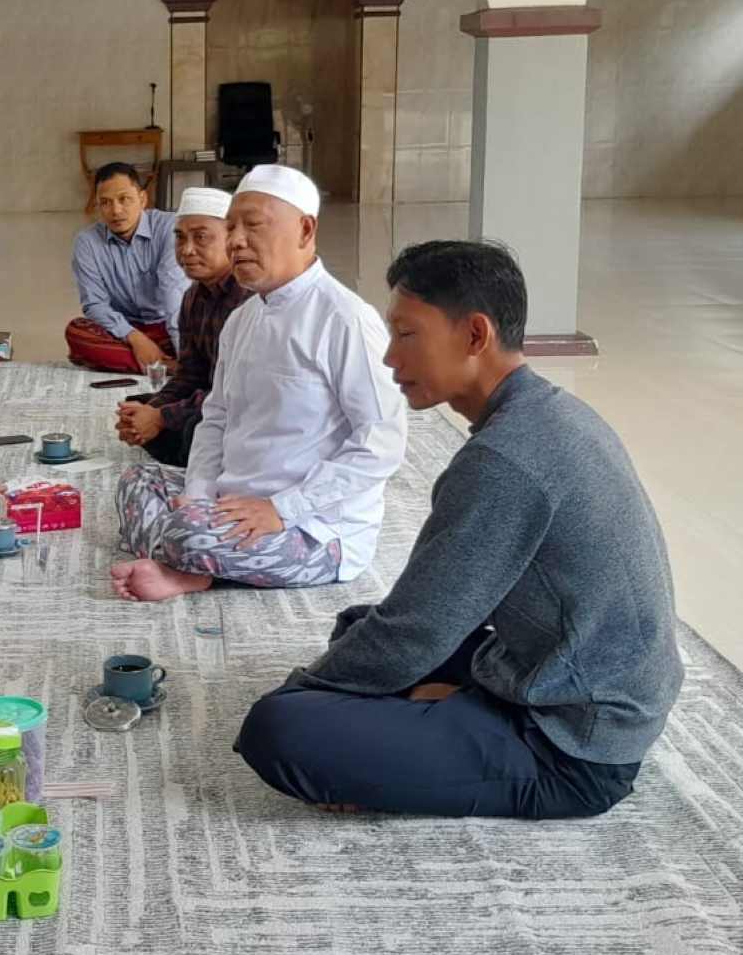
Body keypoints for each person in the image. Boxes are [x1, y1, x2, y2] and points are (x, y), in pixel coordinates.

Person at [235, 241, 682, 818]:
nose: (390, 358)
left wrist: (304, 689)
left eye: (406, 334)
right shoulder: (554, 411)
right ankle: (445, 717)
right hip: (564, 675)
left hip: (574, 747)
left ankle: (441, 732)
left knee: (280, 727)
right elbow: (427, 615)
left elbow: (417, 632)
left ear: (475, 335)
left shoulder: (504, 459)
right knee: (358, 628)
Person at [110, 165, 407, 602]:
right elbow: (215, 418)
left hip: (312, 526)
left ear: (305, 230)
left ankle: (189, 562)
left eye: (253, 225)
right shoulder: (242, 319)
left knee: (188, 534)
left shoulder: (345, 320)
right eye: (231, 227)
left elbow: (382, 443)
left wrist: (282, 508)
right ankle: (188, 562)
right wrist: (197, 496)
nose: (236, 240)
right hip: (231, 502)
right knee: (137, 481)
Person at [114, 187, 250, 467]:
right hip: (208, 399)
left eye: (201, 237)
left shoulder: (249, 300)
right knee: (138, 405)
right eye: (180, 238)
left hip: (241, 407)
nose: (187, 250)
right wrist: (150, 412)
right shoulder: (193, 297)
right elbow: (190, 375)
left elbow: (237, 394)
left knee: (194, 432)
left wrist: (161, 418)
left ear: (231, 239)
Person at [66, 161, 190, 373]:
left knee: (205, 330)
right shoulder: (87, 242)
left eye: (124, 199)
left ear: (142, 199)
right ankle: (164, 365)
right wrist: (135, 338)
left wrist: (186, 357)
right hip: (124, 329)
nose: (115, 210)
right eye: (105, 202)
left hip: (168, 325)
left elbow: (174, 297)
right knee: (77, 331)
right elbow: (94, 304)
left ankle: (148, 361)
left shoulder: (169, 228)